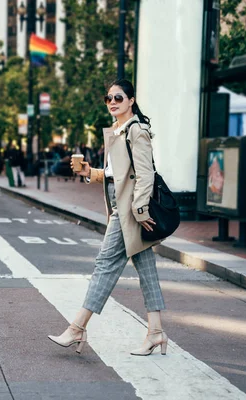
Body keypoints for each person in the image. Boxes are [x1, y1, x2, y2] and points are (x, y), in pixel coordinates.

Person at [48, 79, 167, 356]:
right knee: (146, 268)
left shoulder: (136, 131)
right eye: (108, 98)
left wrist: (139, 210)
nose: (112, 102)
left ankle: (77, 328)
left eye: (118, 97)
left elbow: (145, 174)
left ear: (131, 100)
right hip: (121, 202)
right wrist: (91, 172)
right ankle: (156, 332)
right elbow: (116, 175)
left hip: (128, 208)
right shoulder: (118, 130)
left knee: (104, 264)